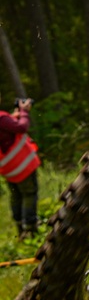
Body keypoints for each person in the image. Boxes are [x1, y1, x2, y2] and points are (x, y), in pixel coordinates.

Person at [0, 96, 40, 240]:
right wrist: (24, 111)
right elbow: (22, 127)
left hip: (7, 168)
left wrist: (13, 116)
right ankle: (30, 229)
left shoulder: (3, 119)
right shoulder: (1, 118)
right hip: (21, 165)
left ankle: (20, 228)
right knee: (29, 194)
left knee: (16, 196)